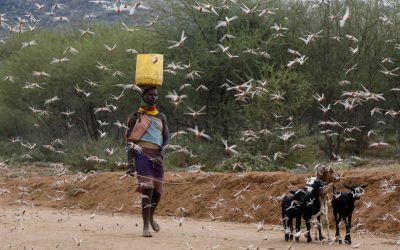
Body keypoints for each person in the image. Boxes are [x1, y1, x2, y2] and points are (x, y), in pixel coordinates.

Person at [125, 86, 169, 237]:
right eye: (150, 95)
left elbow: (167, 139)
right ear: (143, 96)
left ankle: (150, 216)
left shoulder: (161, 116)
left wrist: (161, 156)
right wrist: (130, 164)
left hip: (157, 156)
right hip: (141, 154)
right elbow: (129, 142)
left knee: (157, 192)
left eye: (156, 95)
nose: (154, 97)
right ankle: (145, 226)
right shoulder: (135, 116)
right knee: (148, 189)